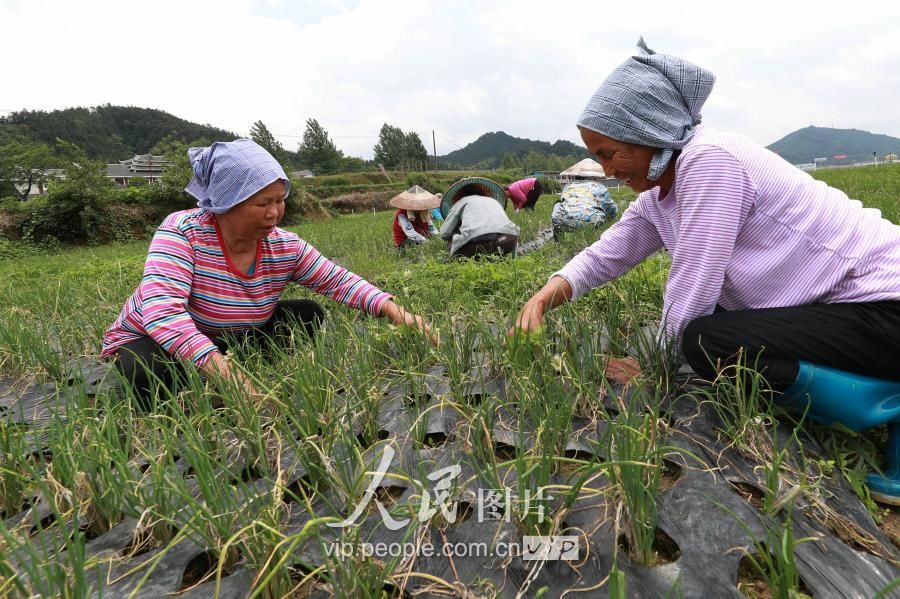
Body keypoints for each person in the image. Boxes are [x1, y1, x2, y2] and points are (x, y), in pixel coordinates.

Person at [513, 39, 900, 488]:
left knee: (705, 340)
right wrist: (542, 298)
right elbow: (607, 254)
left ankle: (882, 397)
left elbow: (695, 282)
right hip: (849, 310)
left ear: (650, 132)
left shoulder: (710, 161)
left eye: (608, 152)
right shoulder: (662, 189)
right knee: (709, 333)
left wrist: (658, 368)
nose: (606, 169)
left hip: (885, 307)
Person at [102, 139, 434, 405]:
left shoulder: (282, 245)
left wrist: (396, 311)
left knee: (307, 315)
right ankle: (208, 375)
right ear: (226, 202)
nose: (275, 213)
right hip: (155, 340)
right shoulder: (183, 232)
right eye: (262, 203)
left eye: (280, 200)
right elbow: (162, 314)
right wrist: (232, 380)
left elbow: (337, 280)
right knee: (143, 371)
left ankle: (216, 366)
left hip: (230, 337)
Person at [440, 183, 520, 258]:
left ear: (460, 195)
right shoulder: (493, 201)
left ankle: (458, 259)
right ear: (482, 192)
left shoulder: (461, 202)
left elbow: (444, 234)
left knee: (454, 233)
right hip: (509, 240)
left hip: (478, 245)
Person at [551, 180, 618, 239]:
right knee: (605, 209)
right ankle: (598, 238)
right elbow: (611, 207)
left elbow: (563, 200)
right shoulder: (599, 187)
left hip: (563, 222)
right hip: (591, 222)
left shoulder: (568, 186)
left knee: (558, 203)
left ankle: (559, 240)